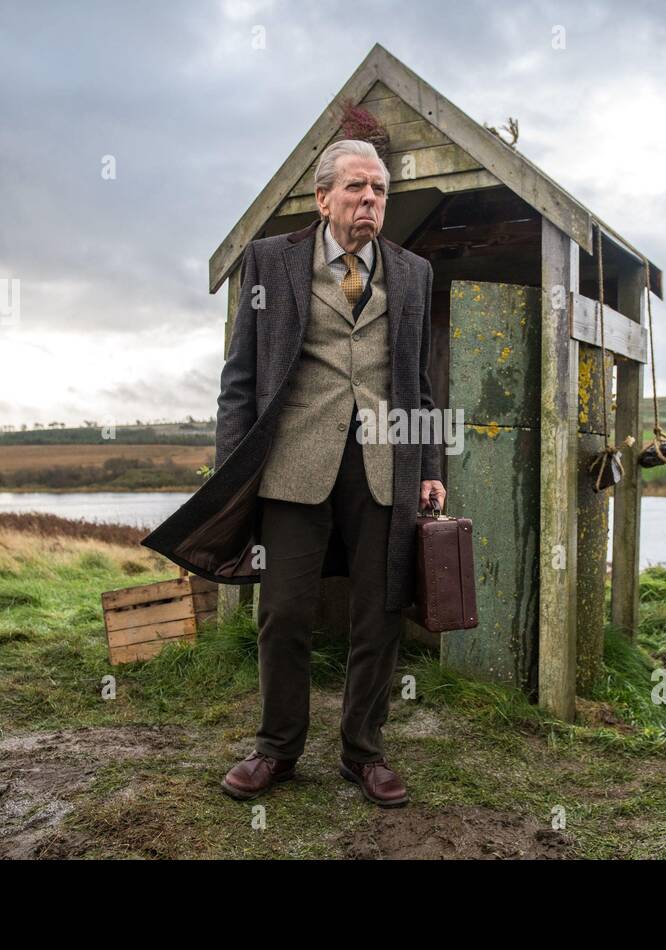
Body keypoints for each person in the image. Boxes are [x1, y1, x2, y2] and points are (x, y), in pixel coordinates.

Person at [212, 139, 445, 807]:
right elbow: (239, 382)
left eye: (379, 191)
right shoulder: (268, 263)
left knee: (381, 612)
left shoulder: (413, 274)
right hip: (291, 465)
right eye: (356, 188)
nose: (369, 200)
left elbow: (419, 385)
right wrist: (235, 473)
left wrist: (429, 466)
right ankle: (276, 750)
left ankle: (363, 753)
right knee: (283, 612)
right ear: (322, 199)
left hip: (384, 466)